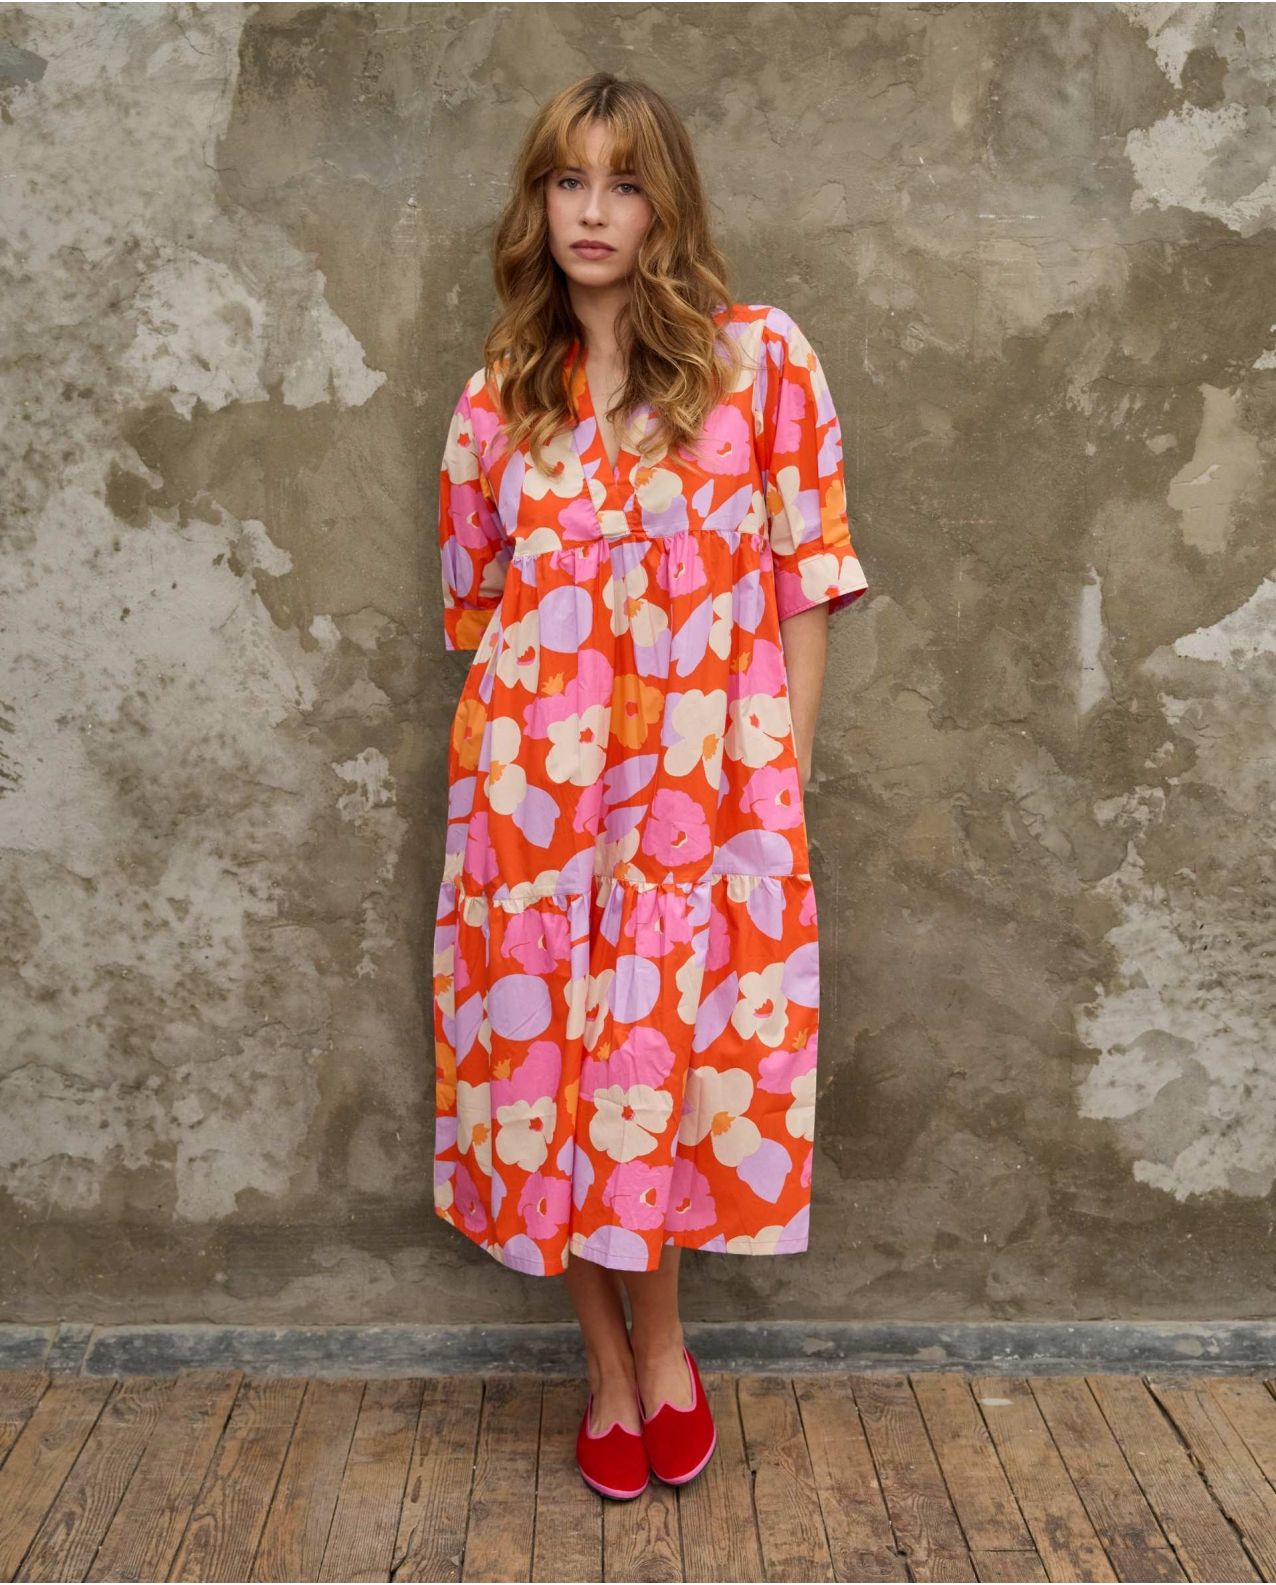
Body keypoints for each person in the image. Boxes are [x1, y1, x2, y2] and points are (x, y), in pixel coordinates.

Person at [431, 71, 869, 1498]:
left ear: (662, 204)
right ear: (538, 203)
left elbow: (807, 576)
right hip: (533, 808)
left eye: (623, 183)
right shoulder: (497, 402)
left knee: (655, 1072)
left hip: (702, 799)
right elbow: (478, 614)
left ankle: (665, 1342)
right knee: (551, 1077)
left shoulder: (759, 363)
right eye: (569, 180)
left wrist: (783, 770)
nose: (593, 211)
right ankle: (608, 1368)